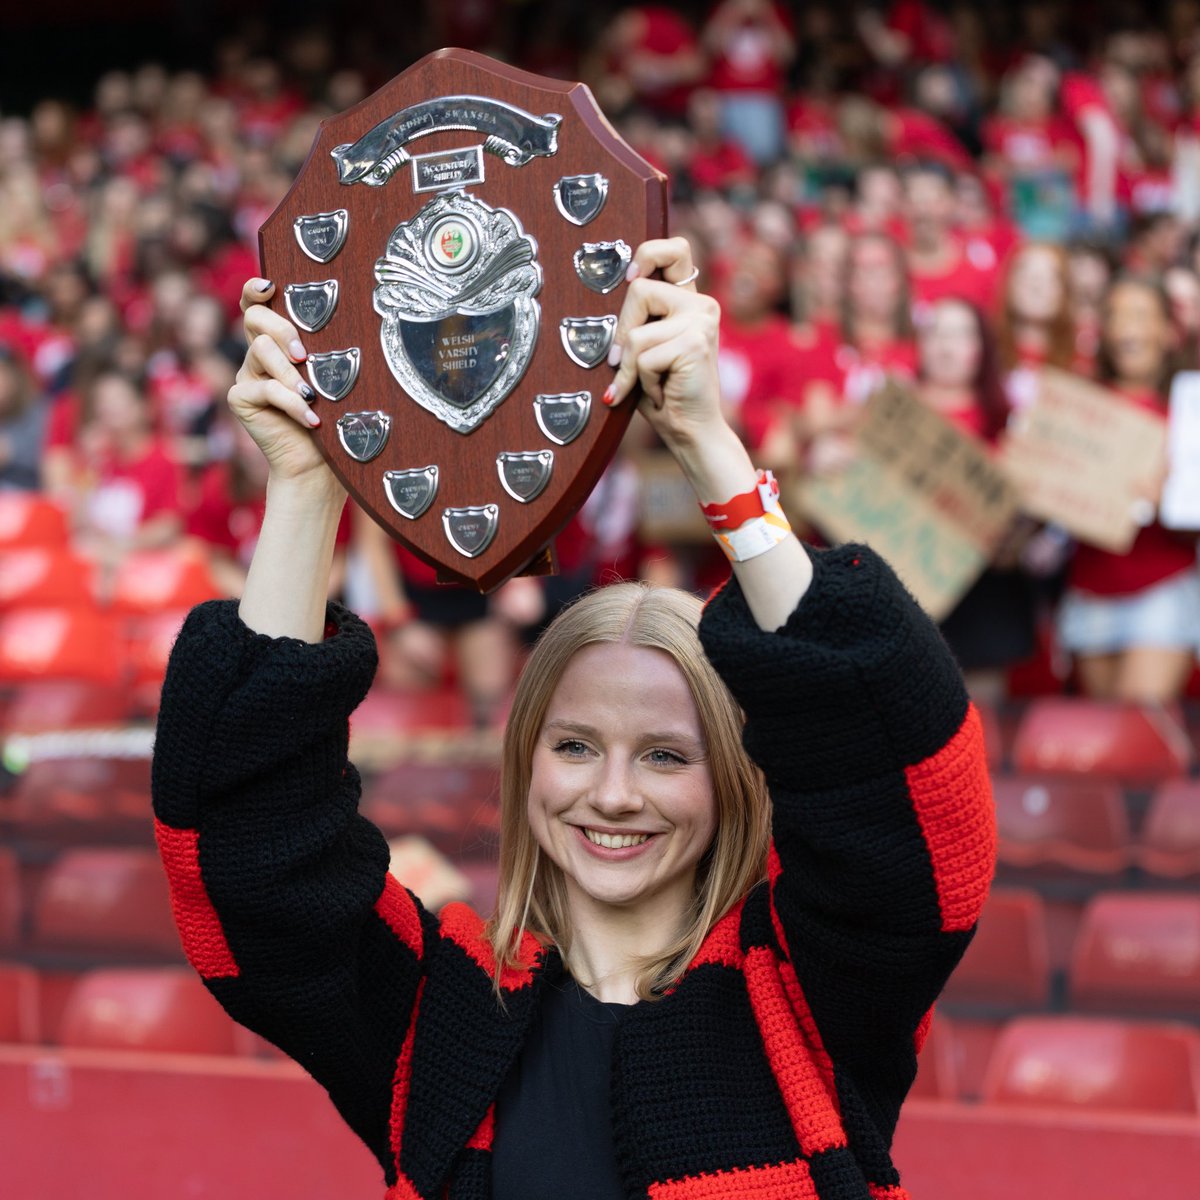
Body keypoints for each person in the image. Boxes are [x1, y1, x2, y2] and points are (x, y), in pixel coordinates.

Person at [151, 239, 994, 1199]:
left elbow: (912, 785)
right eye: (576, 745)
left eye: (669, 754)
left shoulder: (810, 995)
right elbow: (242, 853)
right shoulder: (441, 1009)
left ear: (735, 776)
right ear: (524, 762)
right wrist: (305, 486)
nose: (615, 793)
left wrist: (707, 441)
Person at [1057, 276, 1200, 704]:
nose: (1125, 328)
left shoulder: (1188, 408)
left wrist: (1173, 504)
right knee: (1105, 742)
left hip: (1161, 587)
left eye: (1139, 315)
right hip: (1090, 589)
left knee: (1135, 728)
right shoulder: (1077, 404)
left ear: (1168, 331)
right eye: (1115, 316)